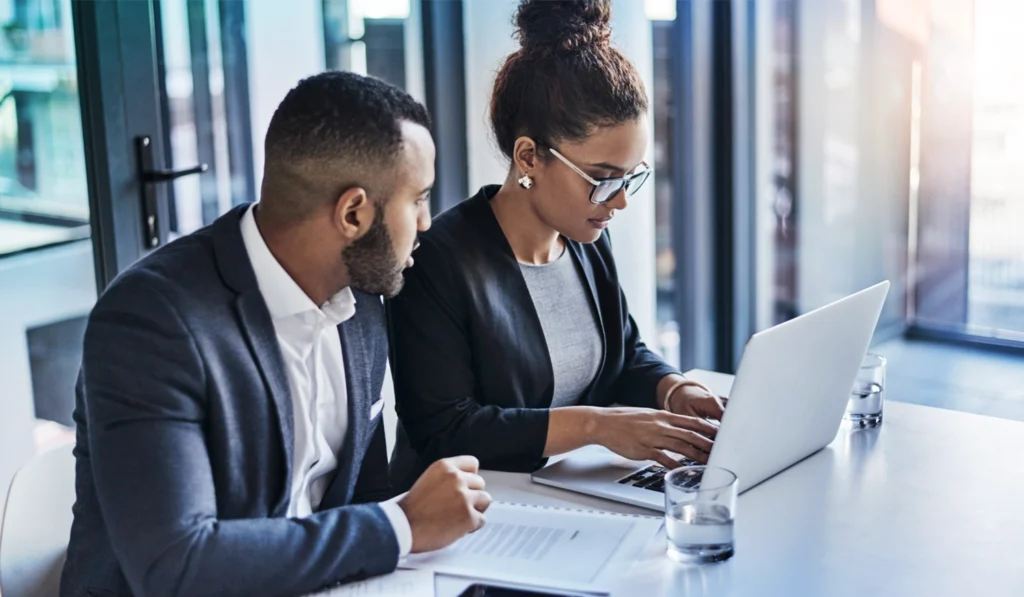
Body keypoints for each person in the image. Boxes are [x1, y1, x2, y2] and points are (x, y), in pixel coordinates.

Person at [61, 72, 491, 597]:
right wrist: (401, 525)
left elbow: (365, 489)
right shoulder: (150, 323)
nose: (426, 222)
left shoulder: (365, 296)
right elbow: (177, 566)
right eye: (418, 199)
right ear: (353, 212)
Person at [387, 0, 725, 487]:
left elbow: (624, 353)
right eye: (604, 179)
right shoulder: (438, 259)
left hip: (571, 498)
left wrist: (673, 389)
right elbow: (445, 430)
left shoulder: (584, 239)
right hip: (474, 517)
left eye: (631, 179)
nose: (620, 202)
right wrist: (592, 425)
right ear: (528, 157)